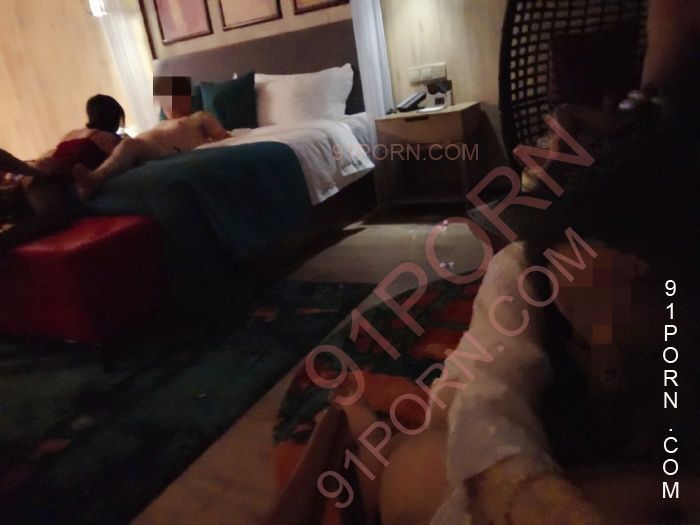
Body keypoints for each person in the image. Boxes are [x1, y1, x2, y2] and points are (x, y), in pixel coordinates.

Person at [0, 94, 125, 254]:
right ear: (115, 118)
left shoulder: (72, 133)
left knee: (25, 213)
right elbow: (124, 158)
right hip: (46, 181)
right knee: (56, 218)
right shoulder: (108, 138)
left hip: (32, 178)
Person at [73, 87, 230, 200]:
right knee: (124, 145)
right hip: (142, 149)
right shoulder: (159, 124)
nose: (168, 104)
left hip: (163, 152)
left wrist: (203, 140)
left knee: (129, 145)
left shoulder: (198, 117)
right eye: (165, 101)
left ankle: (94, 179)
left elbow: (222, 137)